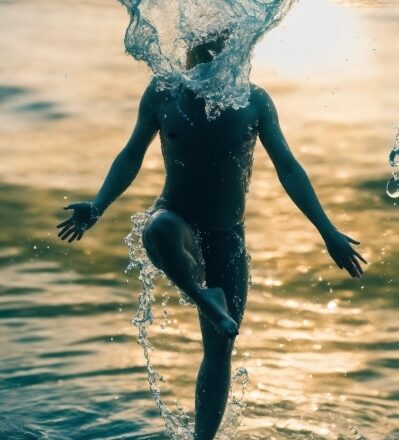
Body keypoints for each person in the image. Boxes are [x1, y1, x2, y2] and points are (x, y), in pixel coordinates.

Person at [57, 32, 367, 440]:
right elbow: (132, 153)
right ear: (188, 54)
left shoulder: (254, 102)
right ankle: (204, 297)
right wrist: (98, 205)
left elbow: (289, 168)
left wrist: (328, 232)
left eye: (221, 52)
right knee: (157, 228)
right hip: (177, 218)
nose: (211, 60)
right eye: (202, 52)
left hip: (228, 239)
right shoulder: (163, 94)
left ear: (236, 54)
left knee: (220, 347)